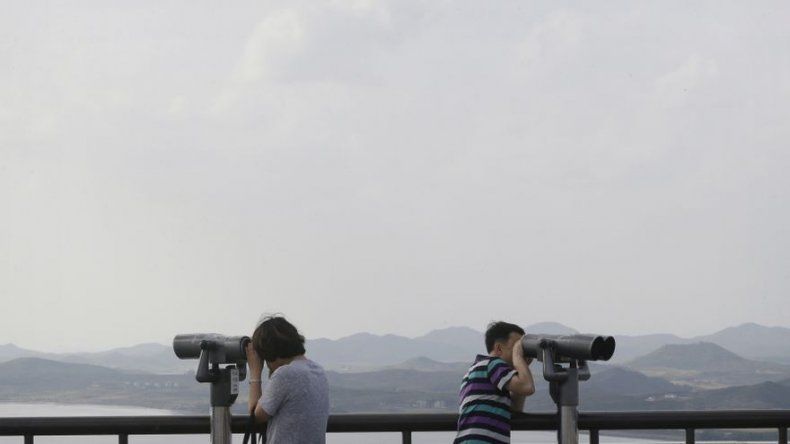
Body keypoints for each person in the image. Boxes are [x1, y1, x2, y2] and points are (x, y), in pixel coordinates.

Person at [246, 315, 330, 443]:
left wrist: (255, 371)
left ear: (269, 352)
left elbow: (256, 416)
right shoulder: (318, 371)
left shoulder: (285, 374)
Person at [454, 321, 536, 443]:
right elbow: (527, 387)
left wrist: (522, 366)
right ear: (498, 348)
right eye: (516, 347)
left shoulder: (479, 369)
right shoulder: (493, 364)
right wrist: (518, 357)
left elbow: (516, 408)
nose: (520, 352)